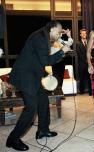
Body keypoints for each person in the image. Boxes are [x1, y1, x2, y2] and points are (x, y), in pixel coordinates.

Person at [6, 21, 71, 151]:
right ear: (52, 29)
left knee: (43, 101)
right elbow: (46, 60)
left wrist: (65, 39)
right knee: (31, 108)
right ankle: (12, 140)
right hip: (26, 77)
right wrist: (62, 51)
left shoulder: (44, 35)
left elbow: (40, 58)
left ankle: (42, 130)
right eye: (58, 32)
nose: (59, 36)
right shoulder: (40, 38)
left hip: (33, 75)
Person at [76, 29, 92, 95]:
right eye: (82, 33)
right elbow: (79, 54)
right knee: (82, 79)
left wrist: (90, 59)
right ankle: (81, 91)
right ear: (80, 35)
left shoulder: (89, 42)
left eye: (85, 33)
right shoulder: (78, 43)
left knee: (90, 79)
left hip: (89, 65)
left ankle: (91, 92)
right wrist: (87, 60)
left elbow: (92, 52)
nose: (84, 35)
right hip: (82, 64)